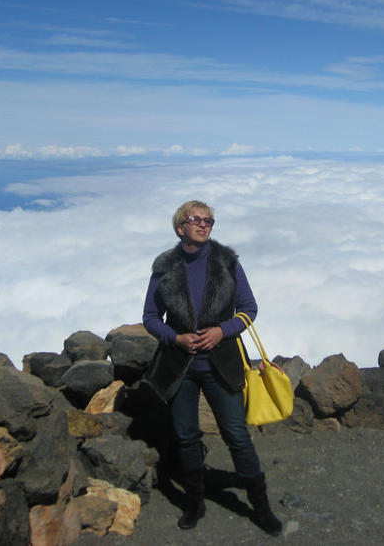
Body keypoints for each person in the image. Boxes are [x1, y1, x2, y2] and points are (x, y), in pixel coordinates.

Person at [142, 200, 282, 535]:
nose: (204, 225)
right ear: (180, 228)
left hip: (223, 362)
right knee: (187, 436)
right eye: (196, 220)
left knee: (236, 435)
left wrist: (222, 330)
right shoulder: (164, 267)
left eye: (209, 220)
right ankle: (195, 502)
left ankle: (260, 507)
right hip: (180, 366)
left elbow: (249, 308)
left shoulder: (227, 262)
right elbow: (149, 317)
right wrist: (176, 339)